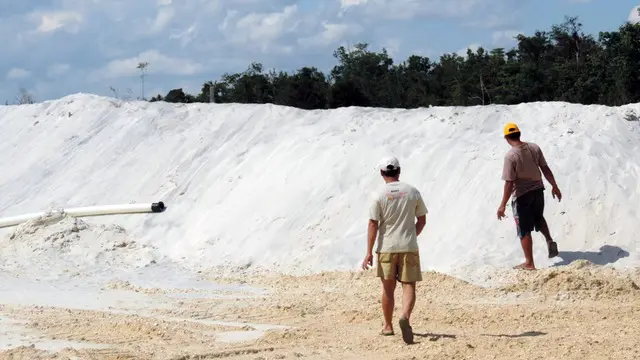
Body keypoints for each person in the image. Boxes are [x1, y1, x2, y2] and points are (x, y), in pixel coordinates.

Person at [361, 156, 428, 345]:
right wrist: (411, 235)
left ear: (382, 173)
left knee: (387, 288)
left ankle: (388, 326)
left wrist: (368, 252)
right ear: (399, 171)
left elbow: (373, 224)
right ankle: (405, 316)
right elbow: (422, 220)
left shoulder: (378, 194)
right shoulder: (412, 191)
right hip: (408, 245)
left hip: (386, 247)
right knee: (409, 284)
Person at [497, 122, 561, 270]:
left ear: (506, 138)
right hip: (538, 191)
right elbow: (545, 168)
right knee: (538, 217)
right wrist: (554, 186)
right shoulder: (534, 147)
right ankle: (549, 240)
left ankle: (529, 263)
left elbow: (509, 183)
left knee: (524, 228)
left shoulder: (510, 156)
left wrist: (502, 205)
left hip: (522, 196)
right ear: (519, 134)